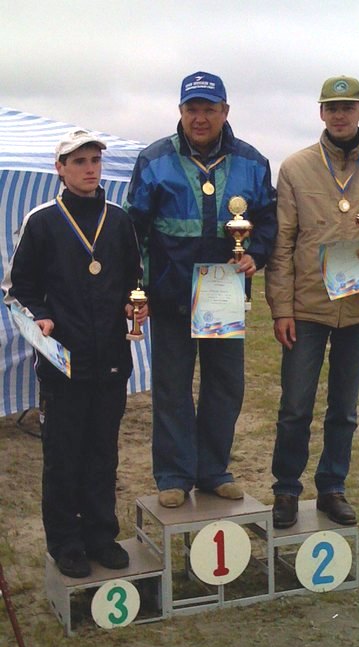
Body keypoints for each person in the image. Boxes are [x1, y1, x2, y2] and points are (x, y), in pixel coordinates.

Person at [265, 75, 359, 528]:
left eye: (348, 107)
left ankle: (332, 487)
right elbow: (282, 244)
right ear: (321, 113)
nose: (339, 115)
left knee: (344, 410)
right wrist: (282, 309)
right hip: (307, 309)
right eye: (332, 108)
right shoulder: (296, 167)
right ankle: (286, 490)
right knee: (295, 407)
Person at [126, 71, 277, 508]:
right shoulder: (154, 159)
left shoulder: (252, 161)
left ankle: (213, 470)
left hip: (223, 297)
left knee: (224, 387)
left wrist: (255, 255)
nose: (200, 118)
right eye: (192, 109)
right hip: (170, 296)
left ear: (225, 111)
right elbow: (134, 230)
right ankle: (173, 475)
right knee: (172, 388)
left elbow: (268, 221)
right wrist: (137, 289)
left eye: (209, 109)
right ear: (180, 111)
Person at [2, 129, 147, 577]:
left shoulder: (119, 220)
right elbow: (18, 289)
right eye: (79, 162)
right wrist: (42, 317)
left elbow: (133, 279)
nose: (89, 169)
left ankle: (101, 535)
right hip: (62, 360)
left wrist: (134, 304)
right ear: (60, 169)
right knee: (64, 454)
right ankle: (65, 541)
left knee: (103, 452)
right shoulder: (42, 220)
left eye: (95, 161)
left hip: (111, 358)